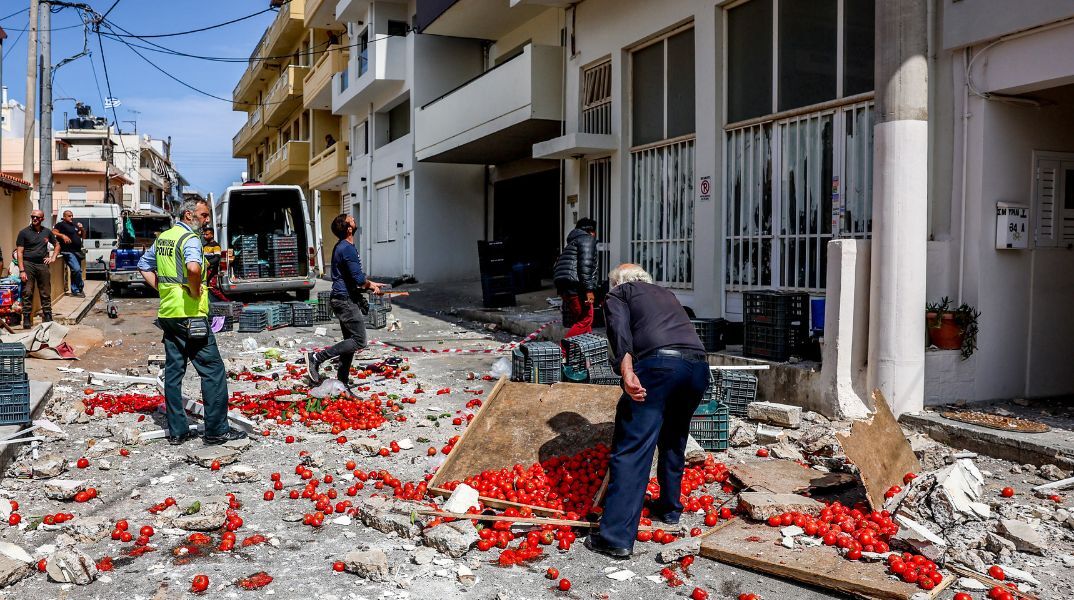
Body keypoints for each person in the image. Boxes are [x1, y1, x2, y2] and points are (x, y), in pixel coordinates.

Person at [584, 264, 709, 559]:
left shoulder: (619, 294)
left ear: (616, 283)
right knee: (674, 439)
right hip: (698, 367)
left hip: (660, 366)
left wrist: (627, 373)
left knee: (633, 447)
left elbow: (619, 333)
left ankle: (615, 537)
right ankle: (669, 509)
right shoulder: (665, 294)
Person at [138, 199, 247, 447]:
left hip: (168, 314)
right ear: (189, 215)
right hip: (191, 314)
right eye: (203, 215)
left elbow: (144, 265)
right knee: (213, 371)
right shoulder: (190, 240)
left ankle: (178, 430)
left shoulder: (164, 237)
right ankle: (217, 430)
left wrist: (163, 290)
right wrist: (195, 291)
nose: (207, 220)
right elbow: (194, 269)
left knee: (174, 372)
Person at [306, 213, 382, 387]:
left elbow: (352, 277)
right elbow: (359, 279)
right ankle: (316, 358)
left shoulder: (343, 246)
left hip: (344, 298)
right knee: (359, 340)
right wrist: (370, 286)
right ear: (348, 228)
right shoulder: (346, 248)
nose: (354, 218)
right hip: (344, 300)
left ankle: (342, 382)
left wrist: (372, 284)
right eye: (351, 219)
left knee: (350, 343)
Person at [553, 217, 598, 339]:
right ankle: (563, 351)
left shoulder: (573, 242)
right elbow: (585, 266)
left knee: (583, 321)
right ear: (591, 231)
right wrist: (589, 290)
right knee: (586, 319)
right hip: (576, 287)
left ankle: (587, 350)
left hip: (565, 285)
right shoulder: (587, 240)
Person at [16, 210, 60, 329]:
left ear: (42, 219)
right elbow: (19, 252)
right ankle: (26, 318)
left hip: (42, 264)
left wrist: (53, 257)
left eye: (37, 217)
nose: (34, 218)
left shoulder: (47, 232)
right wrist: (21, 270)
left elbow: (57, 245)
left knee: (45, 292)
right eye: (33, 217)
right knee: (27, 291)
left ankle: (48, 316)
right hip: (28, 264)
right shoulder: (24, 232)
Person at [53, 210, 86, 298]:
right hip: (68, 251)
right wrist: (63, 236)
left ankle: (75, 291)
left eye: (72, 215)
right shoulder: (60, 224)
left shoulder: (74, 225)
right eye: (69, 216)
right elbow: (53, 232)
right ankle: (80, 288)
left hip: (77, 251)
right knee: (77, 270)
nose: (71, 217)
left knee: (75, 271)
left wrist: (82, 229)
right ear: (64, 217)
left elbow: (83, 236)